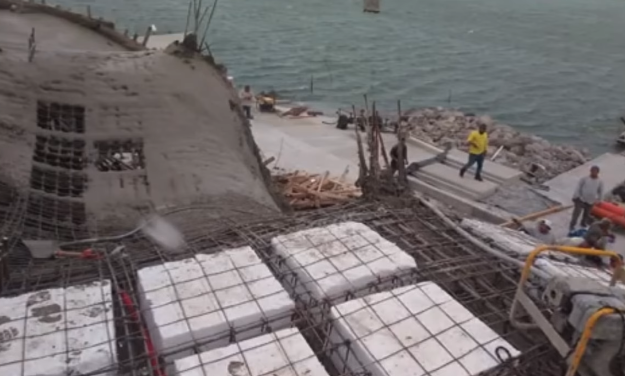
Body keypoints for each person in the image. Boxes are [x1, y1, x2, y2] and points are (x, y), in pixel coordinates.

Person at [569, 166, 604, 230]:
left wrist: (600, 200)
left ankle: (583, 223)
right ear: (590, 171)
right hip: (581, 199)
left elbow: (600, 191)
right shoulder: (584, 179)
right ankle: (572, 225)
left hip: (591, 201)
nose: (593, 173)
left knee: (587, 214)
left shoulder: (600, 182)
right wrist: (576, 196)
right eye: (592, 171)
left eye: (595, 172)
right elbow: (578, 187)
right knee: (576, 214)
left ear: (597, 172)